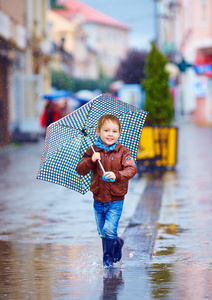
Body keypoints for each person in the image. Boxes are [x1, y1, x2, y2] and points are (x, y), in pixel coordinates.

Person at [76, 114, 137, 268]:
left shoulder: (123, 152)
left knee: (109, 229)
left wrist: (117, 175)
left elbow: (131, 169)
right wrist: (91, 160)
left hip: (116, 199)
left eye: (114, 131)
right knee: (103, 231)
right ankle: (117, 242)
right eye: (106, 130)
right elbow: (80, 170)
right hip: (98, 199)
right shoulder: (92, 150)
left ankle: (107, 259)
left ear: (119, 133)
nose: (110, 134)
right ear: (98, 132)